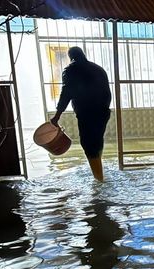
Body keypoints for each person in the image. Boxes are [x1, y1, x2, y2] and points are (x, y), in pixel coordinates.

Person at [50, 47, 111, 182]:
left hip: (86, 113)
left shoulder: (71, 70)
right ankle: (99, 173)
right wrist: (104, 109)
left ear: (70, 57)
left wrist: (57, 116)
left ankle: (98, 180)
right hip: (103, 112)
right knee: (97, 141)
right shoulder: (98, 69)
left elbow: (66, 93)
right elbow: (107, 92)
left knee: (88, 144)